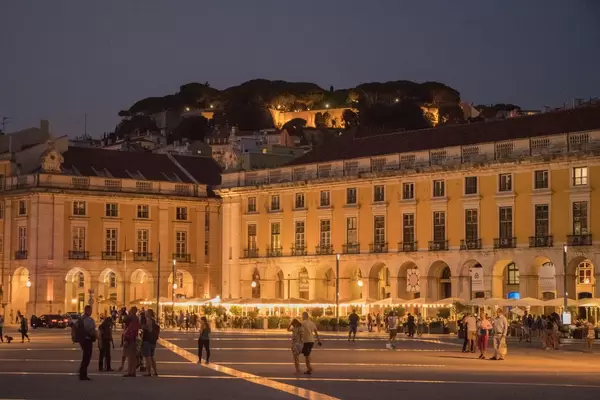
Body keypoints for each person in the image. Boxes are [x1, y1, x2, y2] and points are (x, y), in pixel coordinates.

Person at [77, 305, 97, 380]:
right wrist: (96, 336)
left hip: (82, 340)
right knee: (87, 357)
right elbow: (92, 330)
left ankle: (82, 373)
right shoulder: (89, 319)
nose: (91, 312)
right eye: (91, 310)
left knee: (85, 357)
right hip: (88, 340)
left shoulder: (81, 318)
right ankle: (83, 374)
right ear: (88, 310)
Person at [122, 306, 140, 377]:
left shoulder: (132, 318)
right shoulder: (136, 319)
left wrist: (126, 339)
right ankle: (133, 371)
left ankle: (130, 372)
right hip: (134, 339)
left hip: (130, 339)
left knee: (130, 356)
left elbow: (122, 320)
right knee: (133, 356)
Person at [141, 309, 160, 376]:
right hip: (153, 341)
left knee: (147, 357)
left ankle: (149, 372)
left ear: (149, 314)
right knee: (152, 357)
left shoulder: (149, 320)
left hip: (147, 341)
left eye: (147, 312)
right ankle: (155, 371)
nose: (145, 313)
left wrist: (144, 327)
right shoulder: (154, 321)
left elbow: (150, 330)